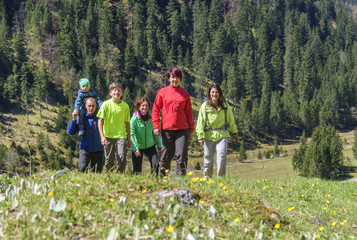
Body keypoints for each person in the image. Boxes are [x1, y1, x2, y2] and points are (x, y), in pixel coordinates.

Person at [152, 67, 194, 176]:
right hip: (167, 129)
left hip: (182, 129)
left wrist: (191, 128)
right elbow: (155, 109)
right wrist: (156, 125)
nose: (175, 80)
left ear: (180, 79)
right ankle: (162, 179)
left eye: (177, 78)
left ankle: (180, 180)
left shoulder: (184, 94)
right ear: (169, 78)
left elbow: (189, 112)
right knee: (166, 156)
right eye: (172, 77)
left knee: (182, 155)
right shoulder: (162, 92)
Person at [195, 83, 239, 178]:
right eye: (213, 92)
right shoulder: (204, 106)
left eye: (216, 92)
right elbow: (200, 123)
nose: (214, 94)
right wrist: (200, 137)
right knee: (208, 160)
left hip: (222, 136)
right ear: (209, 94)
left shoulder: (225, 106)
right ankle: (207, 180)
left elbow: (231, 121)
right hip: (208, 136)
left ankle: (221, 180)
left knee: (221, 159)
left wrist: (235, 133)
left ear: (220, 94)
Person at [97, 82, 131, 173]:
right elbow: (100, 121)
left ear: (122, 93)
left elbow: (127, 123)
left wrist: (129, 139)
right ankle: (108, 177)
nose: (117, 92)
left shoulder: (125, 106)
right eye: (114, 90)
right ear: (110, 93)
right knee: (109, 160)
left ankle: (119, 175)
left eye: (119, 90)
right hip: (108, 135)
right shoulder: (105, 104)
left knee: (122, 157)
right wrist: (102, 136)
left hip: (121, 135)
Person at [68, 97, 104, 172]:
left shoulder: (100, 118)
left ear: (96, 106)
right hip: (85, 149)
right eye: (89, 106)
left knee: (97, 172)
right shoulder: (81, 118)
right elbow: (71, 132)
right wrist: (73, 119)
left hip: (98, 149)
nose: (91, 108)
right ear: (85, 105)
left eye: (93, 106)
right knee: (82, 168)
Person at [130, 97, 162, 175]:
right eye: (143, 105)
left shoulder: (152, 119)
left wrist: (159, 146)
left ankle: (154, 181)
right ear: (138, 107)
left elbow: (156, 133)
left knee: (155, 165)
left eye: (146, 106)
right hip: (138, 147)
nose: (145, 107)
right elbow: (132, 135)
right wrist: (135, 149)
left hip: (150, 146)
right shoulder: (134, 119)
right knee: (137, 171)